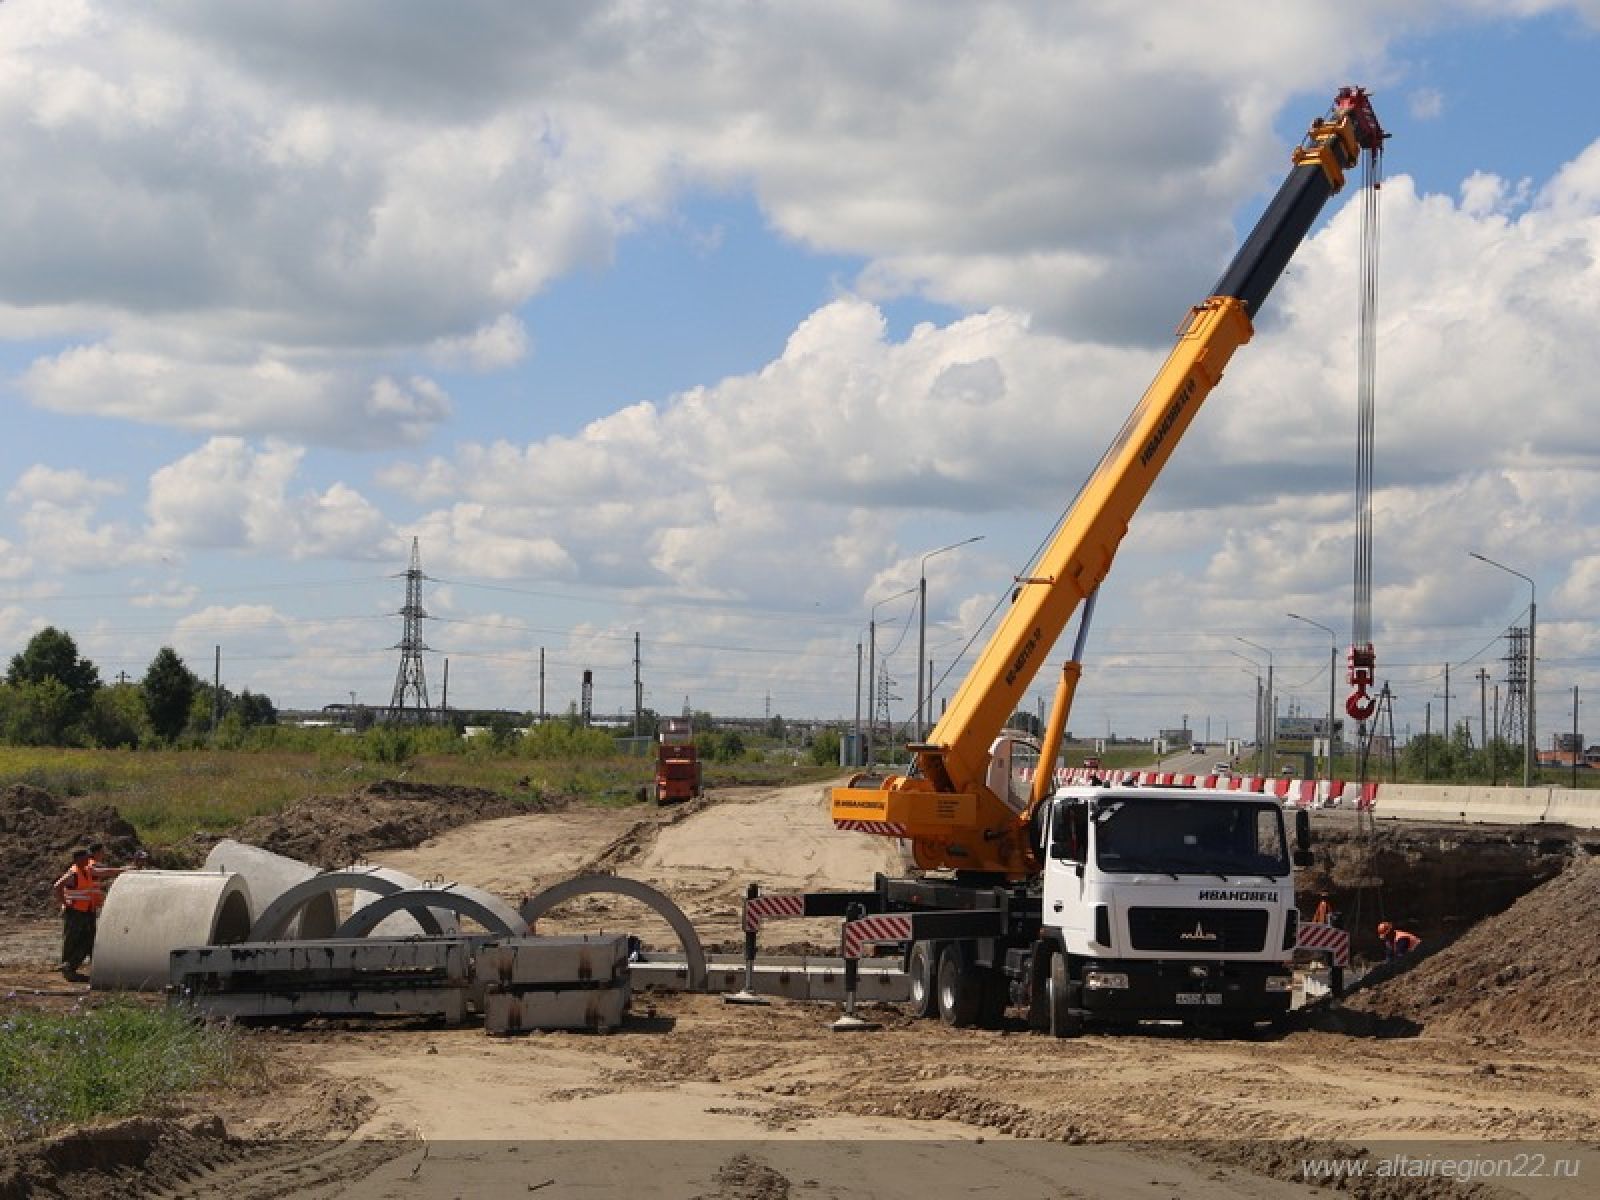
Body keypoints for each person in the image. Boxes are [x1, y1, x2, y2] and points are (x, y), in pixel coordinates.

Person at [51, 848, 100, 982]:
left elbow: (104, 872)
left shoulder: (86, 871)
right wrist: (65, 902)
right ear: (78, 860)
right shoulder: (73, 874)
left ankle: (69, 967)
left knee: (88, 940)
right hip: (75, 913)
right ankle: (68, 967)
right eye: (85, 858)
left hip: (86, 911)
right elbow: (57, 886)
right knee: (73, 940)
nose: (88, 860)